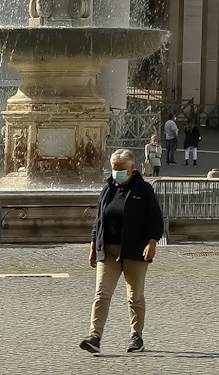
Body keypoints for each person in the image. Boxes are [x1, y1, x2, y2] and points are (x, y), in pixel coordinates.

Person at [82, 149, 166, 354]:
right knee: (101, 293)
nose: (116, 173)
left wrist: (152, 242)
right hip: (108, 251)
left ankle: (136, 337)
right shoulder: (107, 189)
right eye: (113, 169)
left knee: (134, 296)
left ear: (132, 168)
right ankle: (95, 336)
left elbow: (155, 219)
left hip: (135, 251)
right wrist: (94, 245)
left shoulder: (144, 190)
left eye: (121, 169)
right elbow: (99, 220)